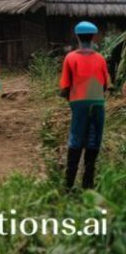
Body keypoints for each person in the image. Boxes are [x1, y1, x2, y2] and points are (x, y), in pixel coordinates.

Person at [60, 21, 111, 189]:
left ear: (77, 36)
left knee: (76, 139)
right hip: (97, 100)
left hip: (79, 101)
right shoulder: (100, 58)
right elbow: (105, 85)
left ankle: (68, 185)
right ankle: (88, 185)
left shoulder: (71, 58)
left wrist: (71, 99)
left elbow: (65, 87)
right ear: (94, 37)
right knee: (93, 140)